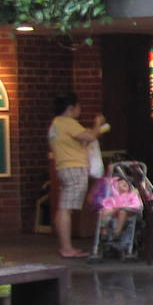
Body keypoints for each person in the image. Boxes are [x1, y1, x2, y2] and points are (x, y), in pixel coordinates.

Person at [49, 93, 107, 258]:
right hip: (74, 168)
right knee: (66, 209)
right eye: (79, 107)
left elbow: (80, 140)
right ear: (71, 108)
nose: (80, 111)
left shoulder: (56, 124)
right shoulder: (67, 122)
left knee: (63, 208)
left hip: (64, 167)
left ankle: (65, 246)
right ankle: (66, 248)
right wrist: (97, 124)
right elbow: (90, 136)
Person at [96, 175, 143, 239]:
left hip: (130, 212)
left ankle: (116, 234)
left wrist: (123, 207)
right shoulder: (114, 197)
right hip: (116, 212)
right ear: (116, 186)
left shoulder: (132, 195)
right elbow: (108, 205)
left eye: (126, 183)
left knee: (122, 211)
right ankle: (103, 230)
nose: (125, 183)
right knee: (105, 210)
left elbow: (137, 204)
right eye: (122, 183)